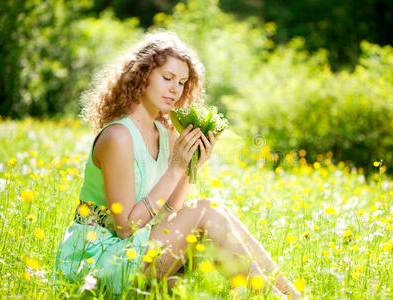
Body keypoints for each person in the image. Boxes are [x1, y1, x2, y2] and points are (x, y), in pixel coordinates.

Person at [54, 31, 303, 299]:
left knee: (213, 209)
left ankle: (293, 296)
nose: (175, 89)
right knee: (206, 210)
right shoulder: (118, 137)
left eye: (182, 82)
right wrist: (175, 167)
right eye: (167, 78)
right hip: (100, 261)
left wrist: (190, 165)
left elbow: (167, 213)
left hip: (138, 248)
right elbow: (125, 227)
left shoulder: (166, 133)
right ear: (142, 75)